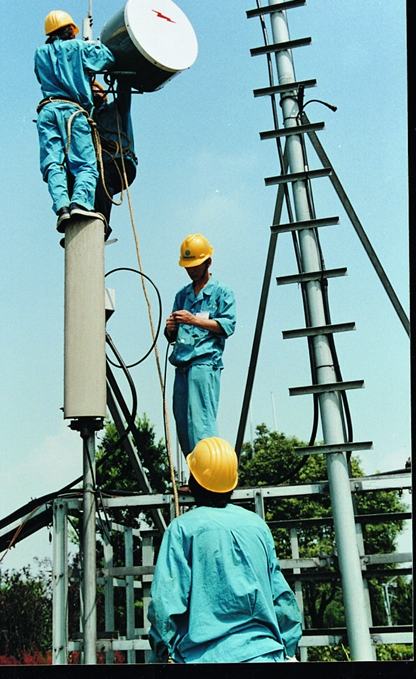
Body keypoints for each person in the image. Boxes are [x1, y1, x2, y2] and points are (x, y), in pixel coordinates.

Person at [148, 436, 303, 663]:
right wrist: (287, 649)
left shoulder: (182, 529)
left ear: (193, 481)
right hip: (265, 659)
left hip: (203, 662)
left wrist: (162, 654)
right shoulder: (258, 526)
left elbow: (165, 604)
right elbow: (283, 600)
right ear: (232, 483)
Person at [34, 10, 115, 232]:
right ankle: (80, 202)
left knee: (53, 163)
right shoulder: (77, 48)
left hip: (47, 111)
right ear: (70, 30)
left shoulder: (39, 54)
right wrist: (92, 45)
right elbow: (107, 58)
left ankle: (61, 207)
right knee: (85, 164)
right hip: (74, 112)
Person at [165, 234, 236, 457]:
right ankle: (196, 474)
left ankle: (209, 475)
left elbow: (228, 325)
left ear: (208, 262)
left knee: (201, 420)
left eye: (196, 265)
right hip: (182, 365)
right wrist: (170, 330)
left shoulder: (222, 292)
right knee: (183, 423)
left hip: (204, 363)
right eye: (188, 266)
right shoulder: (182, 295)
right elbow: (173, 337)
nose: (191, 270)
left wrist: (194, 320)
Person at [92, 80, 137, 237]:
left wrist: (120, 69)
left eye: (96, 89)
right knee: (90, 179)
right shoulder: (88, 120)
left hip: (121, 162)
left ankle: (102, 223)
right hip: (102, 166)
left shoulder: (118, 108)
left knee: (102, 177)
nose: (93, 92)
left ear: (105, 95)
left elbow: (124, 88)